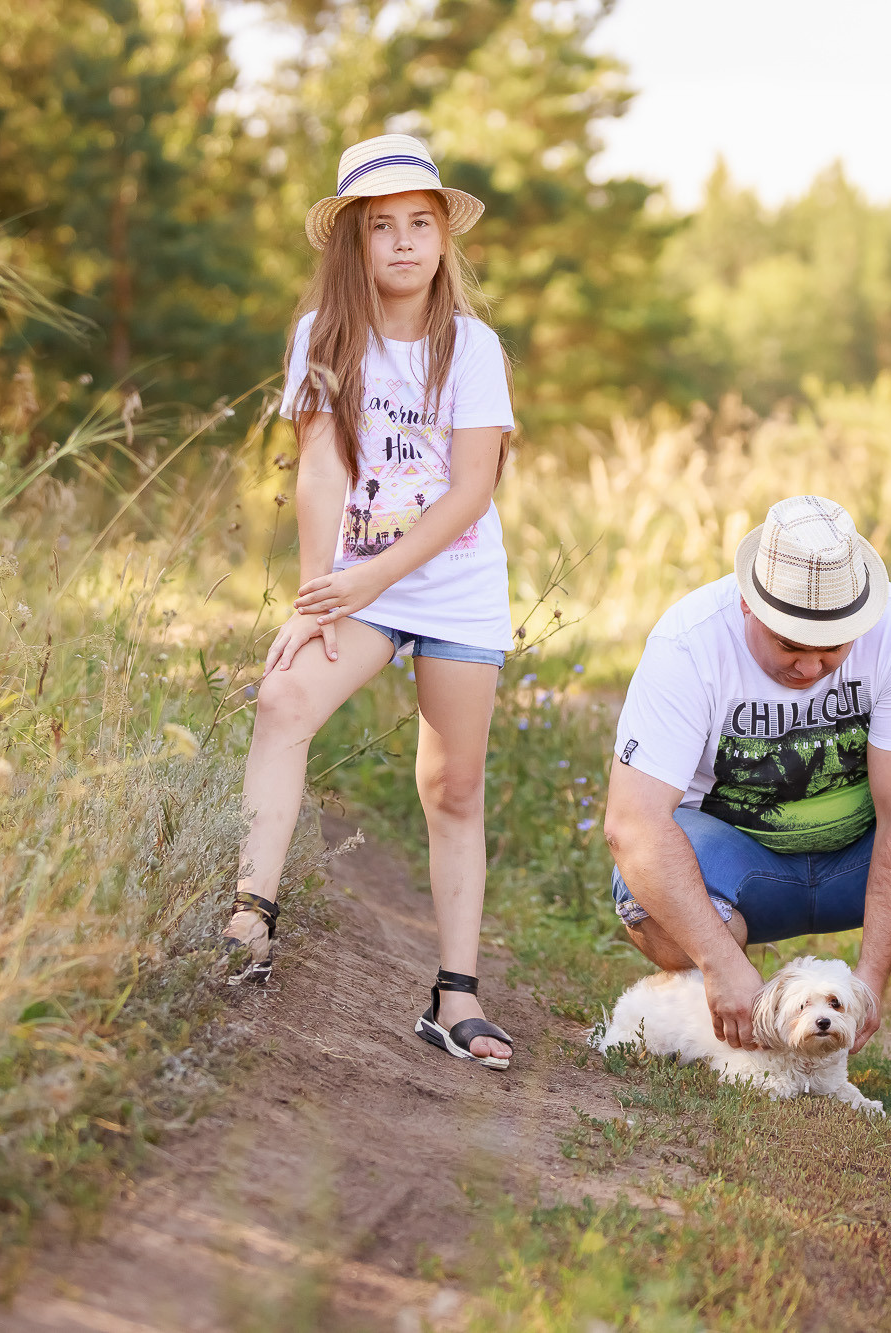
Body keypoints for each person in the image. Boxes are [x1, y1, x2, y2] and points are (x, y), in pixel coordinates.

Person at [220, 134, 516, 1070]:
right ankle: (250, 920)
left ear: (443, 237)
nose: (402, 242)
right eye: (381, 226)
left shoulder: (473, 346)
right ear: (353, 240)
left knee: (452, 786)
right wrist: (317, 593)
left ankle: (455, 995)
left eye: (419, 223)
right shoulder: (324, 337)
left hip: (453, 583)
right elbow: (320, 466)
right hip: (356, 582)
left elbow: (472, 489)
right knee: (283, 698)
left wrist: (372, 576)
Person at [603, 495, 891, 1104]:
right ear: (748, 603)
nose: (811, 667)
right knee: (649, 899)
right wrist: (720, 963)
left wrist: (869, 982)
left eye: (833, 649)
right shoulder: (688, 643)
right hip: (742, 866)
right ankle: (725, 1014)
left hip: (858, 860)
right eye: (790, 645)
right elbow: (632, 824)